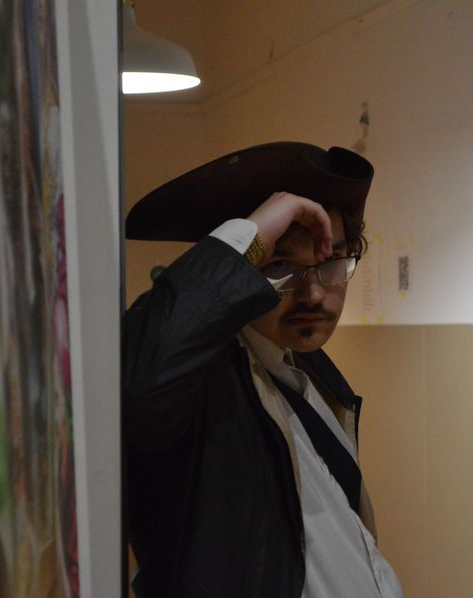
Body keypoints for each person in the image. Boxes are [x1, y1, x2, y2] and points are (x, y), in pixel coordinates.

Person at [123, 142, 403, 598]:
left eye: (330, 263)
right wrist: (250, 234)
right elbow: (141, 387)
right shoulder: (203, 381)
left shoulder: (309, 370)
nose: (313, 294)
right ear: (243, 269)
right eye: (280, 266)